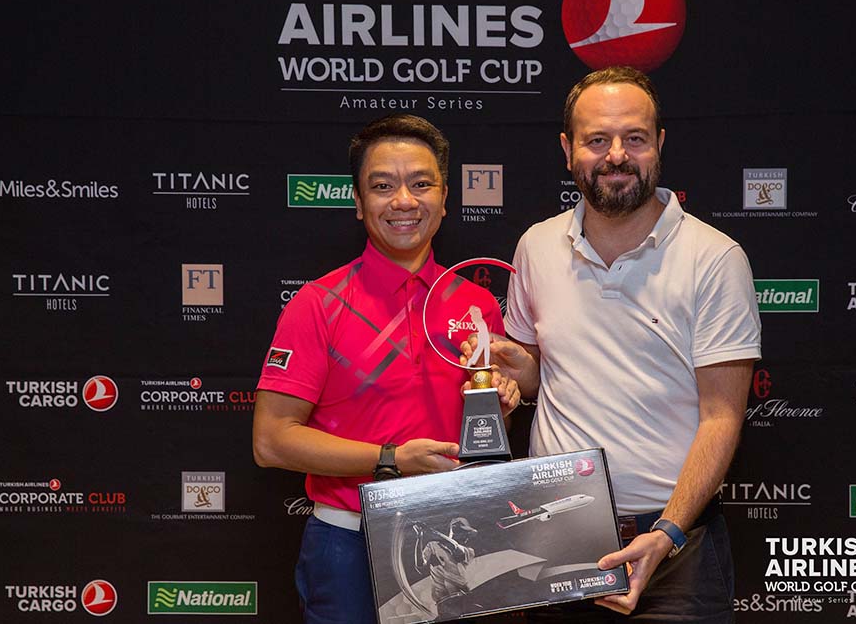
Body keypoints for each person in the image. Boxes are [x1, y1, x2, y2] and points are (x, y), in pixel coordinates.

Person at [466, 66, 761, 622]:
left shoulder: (716, 258)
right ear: (567, 149)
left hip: (676, 550)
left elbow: (722, 416)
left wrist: (668, 532)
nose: (617, 155)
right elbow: (538, 377)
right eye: (597, 139)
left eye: (635, 138)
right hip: (555, 538)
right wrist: (513, 364)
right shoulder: (535, 246)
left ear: (660, 145)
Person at [252, 113, 520, 624]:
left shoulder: (477, 304)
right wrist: (391, 459)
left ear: (445, 198)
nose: (403, 201)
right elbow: (270, 441)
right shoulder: (317, 303)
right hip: (350, 544)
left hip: (455, 542)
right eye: (382, 186)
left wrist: (499, 405)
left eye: (421, 184)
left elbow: (482, 435)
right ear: (357, 202)